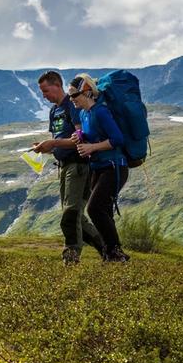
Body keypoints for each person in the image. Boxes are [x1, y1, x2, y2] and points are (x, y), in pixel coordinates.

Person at [32, 71, 106, 265]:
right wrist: (45, 147)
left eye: (46, 90)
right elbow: (59, 140)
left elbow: (82, 139)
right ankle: (109, 251)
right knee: (78, 219)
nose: (44, 95)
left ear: (57, 85)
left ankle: (71, 258)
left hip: (79, 166)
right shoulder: (53, 111)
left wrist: (53, 144)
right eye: (41, 92)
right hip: (64, 167)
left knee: (71, 213)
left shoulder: (71, 106)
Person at [69, 73, 130, 262]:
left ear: (87, 92)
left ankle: (114, 252)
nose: (71, 100)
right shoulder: (83, 114)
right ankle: (111, 255)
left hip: (114, 166)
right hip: (98, 167)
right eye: (69, 96)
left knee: (95, 208)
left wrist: (91, 147)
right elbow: (93, 134)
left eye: (74, 95)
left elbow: (117, 139)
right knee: (103, 210)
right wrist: (80, 136)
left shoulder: (101, 112)